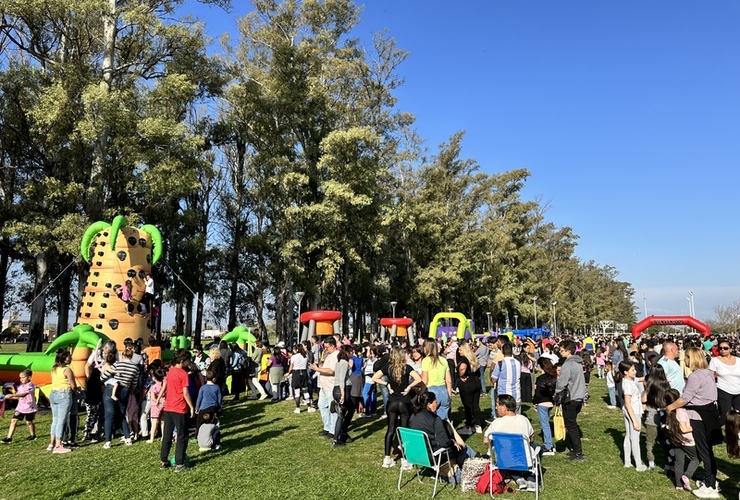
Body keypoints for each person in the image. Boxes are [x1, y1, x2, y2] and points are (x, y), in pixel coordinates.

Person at [665, 347, 721, 499]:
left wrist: (670, 407)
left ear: (692, 358)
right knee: (708, 451)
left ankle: (709, 486)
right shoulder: (708, 374)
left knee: (704, 452)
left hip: (697, 417)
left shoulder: (695, 376)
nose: (685, 361)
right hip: (710, 416)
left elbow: (686, 398)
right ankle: (712, 480)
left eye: (686, 358)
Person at [409, 391, 476, 484]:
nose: (437, 404)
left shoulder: (413, 417)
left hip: (417, 454)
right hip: (433, 456)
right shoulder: (435, 419)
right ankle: (477, 463)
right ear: (429, 404)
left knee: (459, 448)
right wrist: (452, 441)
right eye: (435, 402)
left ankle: (475, 461)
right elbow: (444, 443)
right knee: (463, 448)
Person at [373, 346, 422, 467]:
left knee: (390, 430)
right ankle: (405, 459)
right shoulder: (407, 368)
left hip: (392, 402)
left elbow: (374, 377)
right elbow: (418, 378)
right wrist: (409, 387)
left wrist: (387, 384)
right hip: (404, 402)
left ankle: (387, 458)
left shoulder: (387, 368)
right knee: (405, 430)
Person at [483, 394, 539, 491]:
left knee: (508, 453)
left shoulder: (496, 423)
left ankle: (518, 478)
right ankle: (531, 478)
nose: (496, 407)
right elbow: (531, 438)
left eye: (497, 405)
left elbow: (485, 440)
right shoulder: (524, 420)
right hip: (524, 460)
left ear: (504, 407)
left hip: (503, 460)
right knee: (537, 447)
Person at [157, 349, 196, 472]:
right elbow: (185, 392)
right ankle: (180, 463)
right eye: (188, 360)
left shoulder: (170, 371)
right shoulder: (183, 374)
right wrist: (191, 406)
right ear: (183, 361)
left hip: (168, 408)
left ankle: (164, 460)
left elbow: (165, 386)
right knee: (182, 435)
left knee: (167, 435)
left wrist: (159, 398)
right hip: (180, 408)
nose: (189, 363)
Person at [555, 340, 587, 462]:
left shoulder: (568, 365)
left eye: (562, 350)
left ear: (568, 351)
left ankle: (578, 452)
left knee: (571, 425)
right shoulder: (578, 363)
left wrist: (557, 392)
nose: (560, 352)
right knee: (572, 424)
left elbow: (562, 382)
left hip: (571, 398)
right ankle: (574, 449)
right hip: (579, 397)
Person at [663, 389, 700, 492]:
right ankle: (687, 475)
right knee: (696, 458)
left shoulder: (669, 411)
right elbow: (683, 429)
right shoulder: (681, 411)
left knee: (679, 461)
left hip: (676, 440)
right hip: (686, 440)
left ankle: (678, 485)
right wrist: (695, 427)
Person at [615, 361, 647, 471]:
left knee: (628, 436)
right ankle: (638, 464)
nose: (635, 371)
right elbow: (628, 403)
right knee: (635, 438)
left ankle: (627, 462)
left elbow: (641, 379)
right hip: (633, 412)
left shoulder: (631, 380)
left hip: (630, 411)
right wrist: (635, 421)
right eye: (633, 370)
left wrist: (654, 375)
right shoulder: (627, 385)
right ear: (625, 372)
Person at [642, 363, 671, 470]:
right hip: (664, 417)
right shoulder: (666, 385)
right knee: (665, 441)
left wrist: (646, 388)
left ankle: (651, 462)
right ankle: (668, 462)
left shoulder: (650, 385)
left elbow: (643, 400)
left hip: (651, 417)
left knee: (650, 441)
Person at [309, 336, 339, 439]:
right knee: (322, 405)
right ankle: (327, 426)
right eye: (324, 347)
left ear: (333, 346)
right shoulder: (328, 355)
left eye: (327, 347)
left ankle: (333, 429)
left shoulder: (336, 355)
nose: (325, 349)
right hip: (323, 385)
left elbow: (331, 371)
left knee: (332, 409)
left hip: (331, 386)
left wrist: (317, 369)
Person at [48, 350, 77, 454]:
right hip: (64, 394)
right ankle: (58, 445)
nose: (71, 359)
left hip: (53, 393)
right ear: (64, 359)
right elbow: (73, 385)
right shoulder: (67, 370)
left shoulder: (54, 368)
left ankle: (52, 443)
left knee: (55, 420)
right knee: (61, 420)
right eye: (69, 357)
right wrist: (77, 392)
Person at [708, 338, 740, 424]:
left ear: (730, 349)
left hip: (738, 391)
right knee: (725, 415)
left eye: (725, 348)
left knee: (738, 415)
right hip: (723, 390)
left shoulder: (738, 360)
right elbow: (710, 376)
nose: (723, 350)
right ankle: (724, 434)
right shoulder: (715, 361)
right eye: (720, 348)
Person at [2, 370, 38, 443]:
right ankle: (9, 438)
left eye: (23, 377)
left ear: (29, 377)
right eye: (20, 378)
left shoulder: (31, 386)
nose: (21, 379)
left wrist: (12, 395)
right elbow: (19, 397)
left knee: (29, 422)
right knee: (13, 420)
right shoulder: (20, 387)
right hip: (20, 407)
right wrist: (8, 397)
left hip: (29, 407)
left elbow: (24, 394)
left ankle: (33, 435)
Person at [421, 338, 452, 421]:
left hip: (431, 390)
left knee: (430, 419)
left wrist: (420, 393)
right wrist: (449, 393)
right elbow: (448, 380)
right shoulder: (443, 360)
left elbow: (424, 380)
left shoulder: (426, 361)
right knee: (443, 419)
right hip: (443, 390)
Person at [330, 346, 355, 447]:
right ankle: (336, 439)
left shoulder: (339, 362)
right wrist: (343, 394)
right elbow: (342, 379)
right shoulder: (344, 363)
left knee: (350, 409)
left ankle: (343, 433)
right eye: (351, 352)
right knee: (342, 414)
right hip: (342, 389)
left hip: (336, 389)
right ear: (347, 353)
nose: (352, 354)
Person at [532, 357, 557, 456]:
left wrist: (534, 402)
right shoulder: (552, 377)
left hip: (542, 403)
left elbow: (538, 394)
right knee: (546, 423)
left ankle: (548, 446)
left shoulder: (540, 379)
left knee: (544, 424)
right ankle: (550, 444)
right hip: (550, 403)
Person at [456, 342, 482, 435]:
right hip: (475, 381)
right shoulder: (473, 358)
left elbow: (462, 368)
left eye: (460, 349)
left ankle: (469, 426)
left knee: (467, 406)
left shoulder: (464, 360)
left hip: (467, 384)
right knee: (475, 405)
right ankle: (478, 425)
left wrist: (460, 375)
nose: (459, 351)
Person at [490, 341, 521, 415]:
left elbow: (494, 379)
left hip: (504, 397)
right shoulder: (518, 362)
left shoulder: (500, 363)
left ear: (502, 351)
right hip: (516, 395)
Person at [285, 344, 313, 413]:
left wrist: (288, 373)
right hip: (303, 373)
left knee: (297, 392)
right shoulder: (305, 356)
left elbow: (291, 366)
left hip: (296, 373)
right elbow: (306, 365)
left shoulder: (294, 357)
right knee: (305, 391)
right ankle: (309, 407)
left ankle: (297, 408)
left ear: (297, 350)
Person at [146, 368, 165, 443]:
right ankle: (163, 437)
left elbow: (153, 398)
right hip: (164, 404)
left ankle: (151, 438)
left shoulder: (153, 387)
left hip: (155, 406)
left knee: (154, 422)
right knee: (163, 422)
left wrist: (158, 401)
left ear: (154, 378)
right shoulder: (164, 386)